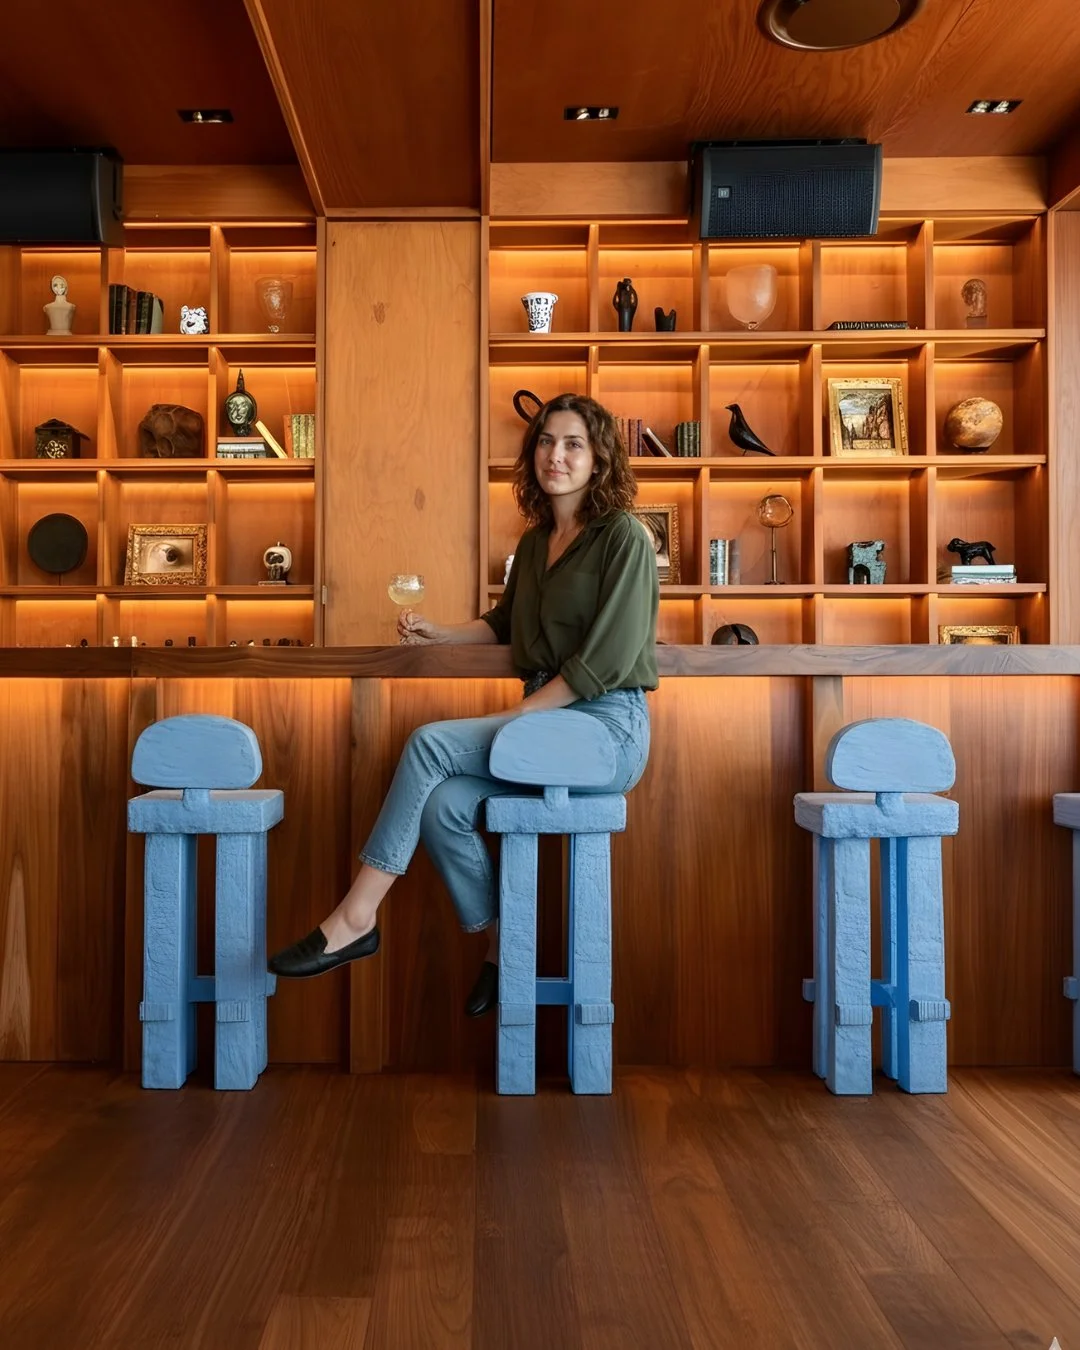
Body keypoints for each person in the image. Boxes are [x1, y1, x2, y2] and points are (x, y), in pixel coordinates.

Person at [268, 392, 659, 1017]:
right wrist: (440, 633)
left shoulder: (625, 538)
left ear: (599, 458)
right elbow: (505, 626)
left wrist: (525, 716)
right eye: (545, 442)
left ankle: (356, 916)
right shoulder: (534, 546)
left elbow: (604, 661)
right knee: (444, 805)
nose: (555, 455)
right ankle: (504, 949)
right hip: (543, 727)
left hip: (604, 730)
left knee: (428, 744)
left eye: (573, 444)